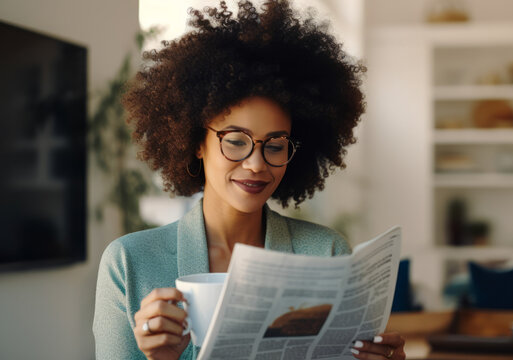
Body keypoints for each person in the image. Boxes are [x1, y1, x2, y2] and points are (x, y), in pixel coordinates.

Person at [92, 1, 405, 359]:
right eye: (236, 141)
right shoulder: (130, 263)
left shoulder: (327, 253)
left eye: (275, 145)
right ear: (196, 143)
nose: (257, 164)